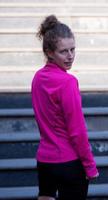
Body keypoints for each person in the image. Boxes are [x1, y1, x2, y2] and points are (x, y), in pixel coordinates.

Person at [31, 15, 99, 200]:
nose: (70, 56)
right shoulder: (68, 82)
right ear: (49, 52)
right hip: (68, 162)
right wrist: (90, 166)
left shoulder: (37, 78)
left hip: (44, 161)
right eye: (64, 51)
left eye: (73, 49)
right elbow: (77, 129)